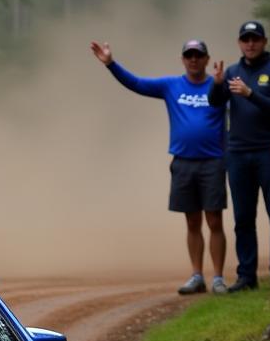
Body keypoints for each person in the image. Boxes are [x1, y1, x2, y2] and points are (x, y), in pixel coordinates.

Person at [90, 37, 229, 294]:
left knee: (214, 220)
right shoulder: (171, 85)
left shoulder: (217, 86)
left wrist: (221, 85)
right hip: (183, 162)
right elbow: (137, 84)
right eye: (189, 55)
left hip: (212, 161)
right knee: (192, 221)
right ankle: (197, 275)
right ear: (183, 60)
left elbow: (233, 105)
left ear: (207, 60)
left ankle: (219, 278)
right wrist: (111, 64)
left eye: (199, 55)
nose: (194, 59)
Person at [223, 20, 270, 291]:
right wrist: (217, 85)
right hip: (238, 153)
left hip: (269, 152)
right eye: (245, 39)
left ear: (264, 42)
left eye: (255, 39)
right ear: (240, 43)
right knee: (243, 217)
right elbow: (216, 102)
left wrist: (251, 94)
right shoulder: (232, 72)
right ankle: (246, 275)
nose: (250, 43)